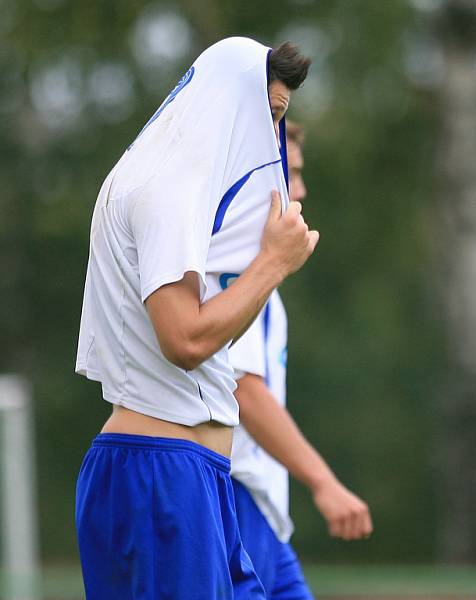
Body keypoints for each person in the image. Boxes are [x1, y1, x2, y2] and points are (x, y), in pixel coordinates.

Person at [74, 38, 315, 600]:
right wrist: (273, 263)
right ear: (230, 104)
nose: (272, 142)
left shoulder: (168, 182)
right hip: (161, 475)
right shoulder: (166, 187)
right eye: (271, 117)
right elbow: (183, 338)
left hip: (192, 474)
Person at [228, 122, 372, 600]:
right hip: (238, 502)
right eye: (293, 174)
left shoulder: (264, 280)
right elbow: (244, 390)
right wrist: (323, 482)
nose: (303, 189)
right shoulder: (243, 270)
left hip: (265, 517)